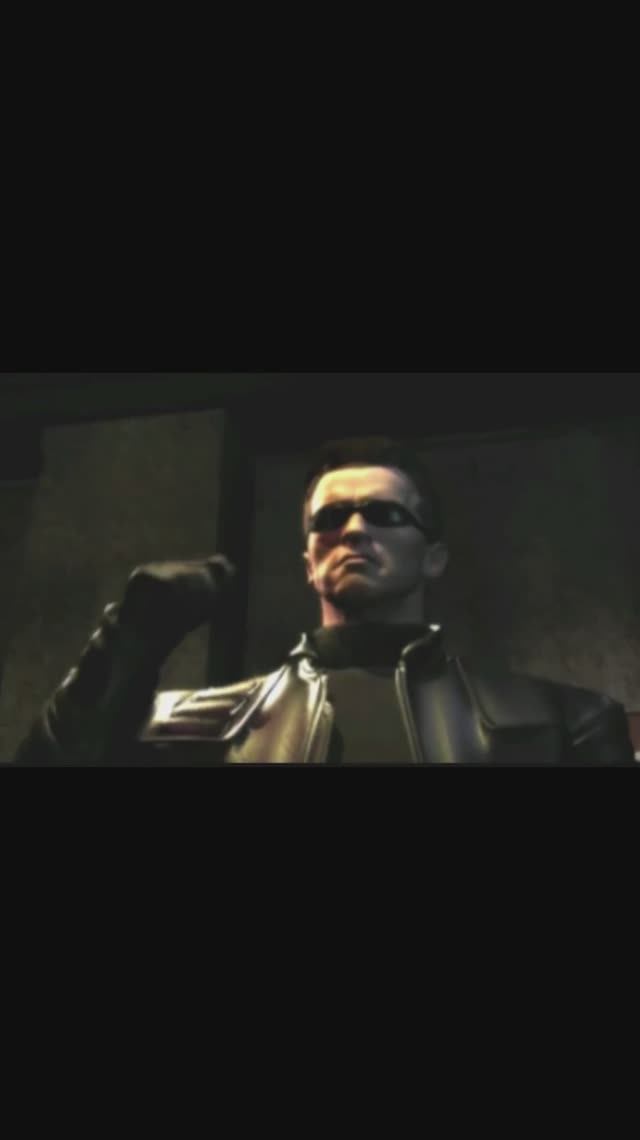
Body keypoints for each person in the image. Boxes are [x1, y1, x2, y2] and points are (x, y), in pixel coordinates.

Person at [14, 437, 635, 765]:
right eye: (331, 518)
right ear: (309, 562)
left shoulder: (562, 721)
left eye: (385, 514)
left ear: (433, 556)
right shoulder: (206, 726)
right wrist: (127, 639)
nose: (355, 530)